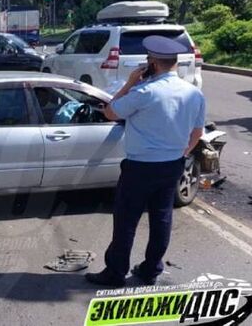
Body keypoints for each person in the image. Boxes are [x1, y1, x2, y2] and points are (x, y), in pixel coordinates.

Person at [85, 35, 206, 287]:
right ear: (174, 63)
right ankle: (151, 270)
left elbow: (110, 112)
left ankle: (115, 273)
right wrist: (183, 154)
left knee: (126, 221)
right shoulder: (194, 94)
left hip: (140, 168)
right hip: (172, 165)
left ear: (152, 62)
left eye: (147, 59)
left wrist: (129, 83)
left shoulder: (143, 91)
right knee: (161, 219)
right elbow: (197, 133)